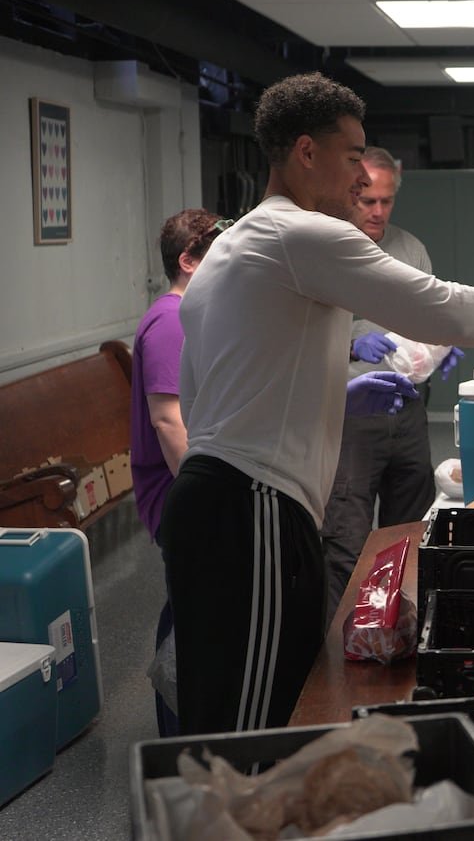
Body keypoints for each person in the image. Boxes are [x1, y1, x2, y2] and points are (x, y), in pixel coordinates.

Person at [157, 72, 474, 735]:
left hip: (220, 498)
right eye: (353, 154)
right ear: (307, 152)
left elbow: (219, 379)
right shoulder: (302, 235)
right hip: (254, 507)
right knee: (255, 725)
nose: (363, 175)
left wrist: (339, 385)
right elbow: (433, 302)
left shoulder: (234, 246)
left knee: (232, 703)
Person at [319, 145, 464, 623]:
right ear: (351, 192)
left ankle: (399, 629)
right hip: (349, 419)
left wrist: (444, 345)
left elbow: (430, 316)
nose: (378, 211)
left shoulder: (409, 249)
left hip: (407, 414)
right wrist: (350, 344)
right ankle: (340, 653)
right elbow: (293, 335)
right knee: (347, 537)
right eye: (368, 201)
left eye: (387, 201)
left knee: (409, 530)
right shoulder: (323, 251)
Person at [130, 208, 231, 736]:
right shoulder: (170, 320)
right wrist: (205, 498)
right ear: (189, 261)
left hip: (186, 491)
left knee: (190, 610)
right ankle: (178, 739)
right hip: (178, 496)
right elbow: (169, 420)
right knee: (188, 624)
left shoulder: (192, 316)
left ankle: (187, 729)